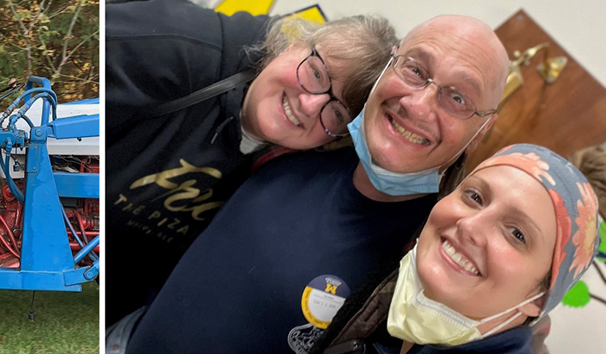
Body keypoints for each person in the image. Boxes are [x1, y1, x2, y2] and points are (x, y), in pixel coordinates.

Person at [115, 14, 510, 354]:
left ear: (483, 127)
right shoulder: (303, 145)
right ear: (391, 64)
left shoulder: (428, 255)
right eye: (415, 70)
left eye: (458, 98)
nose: (418, 105)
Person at [106, 0, 398, 324]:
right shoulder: (174, 42)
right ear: (293, 43)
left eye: (338, 113)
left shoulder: (294, 176)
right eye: (317, 73)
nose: (310, 104)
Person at [309, 144, 601, 354]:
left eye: (516, 234)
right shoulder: (381, 317)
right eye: (474, 196)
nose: (470, 226)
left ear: (539, 299)